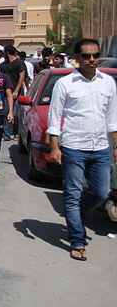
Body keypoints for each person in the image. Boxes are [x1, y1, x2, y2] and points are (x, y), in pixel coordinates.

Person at [47, 39, 117, 261]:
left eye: (95, 55)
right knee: (73, 193)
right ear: (77, 58)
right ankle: (77, 239)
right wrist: (54, 146)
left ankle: (74, 215)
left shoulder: (108, 83)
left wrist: (116, 146)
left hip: (100, 148)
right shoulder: (65, 84)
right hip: (74, 147)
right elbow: (54, 117)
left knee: (101, 193)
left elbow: (112, 119)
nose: (92, 60)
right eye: (86, 56)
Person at [0, 46, 26, 141]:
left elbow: (22, 76)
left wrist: (16, 90)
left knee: (16, 113)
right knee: (5, 112)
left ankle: (17, 133)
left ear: (7, 52)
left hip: (17, 91)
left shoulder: (19, 63)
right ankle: (6, 134)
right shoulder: (3, 65)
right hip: (6, 92)